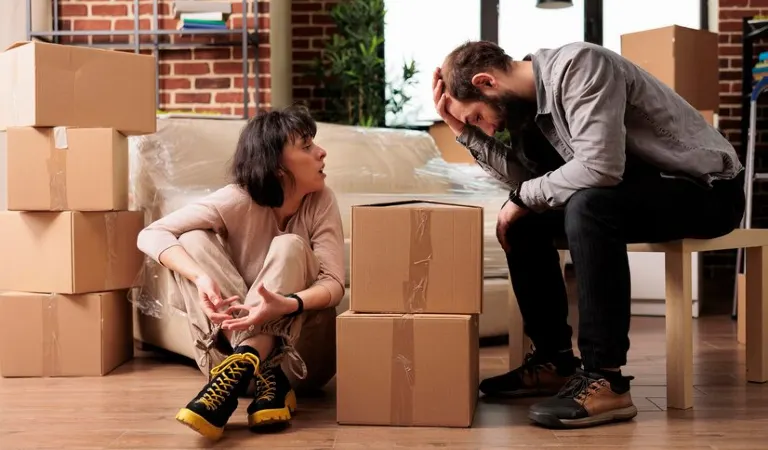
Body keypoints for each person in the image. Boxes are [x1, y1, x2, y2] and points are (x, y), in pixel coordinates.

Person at [433, 41, 745, 429]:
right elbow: (529, 184)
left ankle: (606, 379)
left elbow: (601, 168)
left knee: (588, 205)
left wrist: (521, 197)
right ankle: (556, 361)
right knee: (524, 221)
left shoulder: (581, 66)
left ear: (486, 81)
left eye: (477, 115)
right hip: (636, 191)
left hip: (705, 189)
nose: (488, 127)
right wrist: (462, 130)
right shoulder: (528, 107)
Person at [136, 105, 345, 441]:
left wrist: (286, 304)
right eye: (306, 146)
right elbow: (150, 234)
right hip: (226, 364)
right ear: (276, 165)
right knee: (192, 240)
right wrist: (200, 278)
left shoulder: (321, 201)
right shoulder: (238, 199)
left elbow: (334, 284)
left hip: (301, 363)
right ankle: (251, 365)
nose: (321, 152)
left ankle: (251, 363)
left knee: (289, 245)